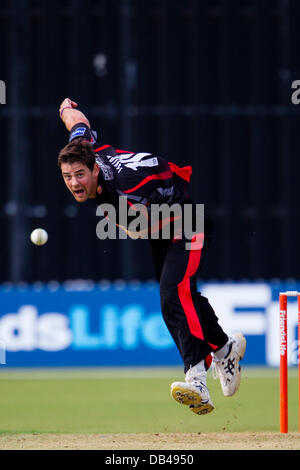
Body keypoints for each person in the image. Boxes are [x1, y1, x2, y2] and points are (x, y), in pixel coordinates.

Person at [57, 97, 246, 415]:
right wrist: (64, 109)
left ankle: (197, 380)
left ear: (93, 168)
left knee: (173, 295)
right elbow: (78, 123)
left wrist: (120, 220)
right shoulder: (83, 149)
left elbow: (136, 229)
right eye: (67, 177)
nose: (74, 183)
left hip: (188, 223)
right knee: (185, 297)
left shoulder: (121, 193)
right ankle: (226, 348)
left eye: (79, 175)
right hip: (162, 225)